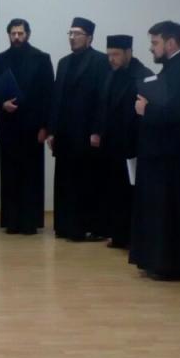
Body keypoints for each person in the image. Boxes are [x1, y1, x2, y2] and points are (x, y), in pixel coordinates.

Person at [129, 20, 180, 280]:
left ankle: (170, 265)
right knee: (161, 211)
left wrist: (146, 109)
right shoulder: (173, 69)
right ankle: (159, 262)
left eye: (155, 43)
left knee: (171, 213)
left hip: (173, 156)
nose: (151, 48)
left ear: (171, 43)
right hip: (163, 154)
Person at [0, 18, 54, 235]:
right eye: (13, 33)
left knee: (32, 176)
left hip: (33, 128)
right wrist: (1, 103)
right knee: (10, 176)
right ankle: (11, 221)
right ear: (9, 35)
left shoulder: (42, 58)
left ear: (28, 34)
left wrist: (46, 127)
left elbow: (49, 95)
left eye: (20, 33)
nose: (16, 37)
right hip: (8, 127)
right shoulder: (0, 59)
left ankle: (30, 222)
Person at [46, 17, 110, 241]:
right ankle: (65, 226)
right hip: (64, 134)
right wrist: (52, 130)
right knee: (65, 181)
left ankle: (87, 227)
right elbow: (56, 98)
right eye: (70, 33)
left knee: (86, 181)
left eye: (77, 34)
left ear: (89, 37)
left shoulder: (100, 61)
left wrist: (97, 130)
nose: (72, 37)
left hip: (86, 133)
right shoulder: (64, 62)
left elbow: (103, 99)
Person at [93, 34, 151, 250]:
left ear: (128, 52)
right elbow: (102, 105)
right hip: (112, 145)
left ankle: (134, 237)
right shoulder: (111, 74)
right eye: (109, 54)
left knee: (132, 193)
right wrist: (97, 131)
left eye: (116, 54)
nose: (111, 59)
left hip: (133, 145)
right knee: (115, 191)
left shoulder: (143, 76)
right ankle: (118, 234)